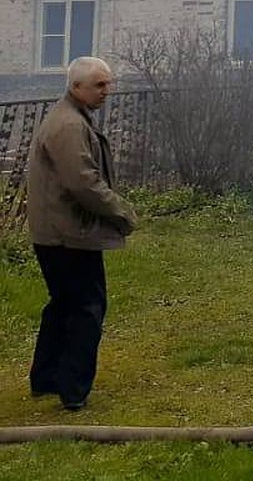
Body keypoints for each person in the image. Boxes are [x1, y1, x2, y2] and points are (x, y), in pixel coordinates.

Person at [26, 56, 137, 411]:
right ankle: (73, 390)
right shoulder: (69, 126)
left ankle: (46, 377)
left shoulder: (71, 117)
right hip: (68, 235)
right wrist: (122, 212)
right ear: (76, 87)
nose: (108, 91)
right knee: (87, 308)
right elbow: (84, 183)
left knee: (63, 304)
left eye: (109, 83)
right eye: (100, 85)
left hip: (56, 232)